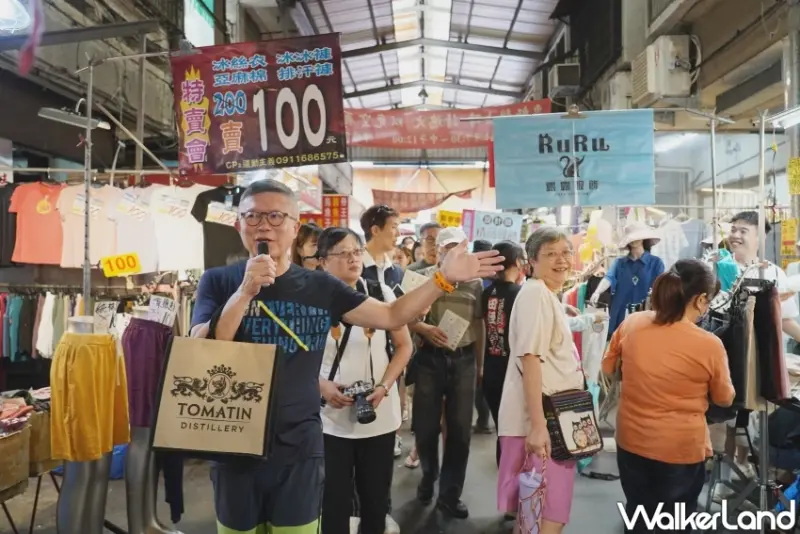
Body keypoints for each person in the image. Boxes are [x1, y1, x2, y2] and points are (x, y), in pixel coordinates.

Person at [190, 179, 503, 534]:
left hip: (299, 447)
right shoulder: (218, 281)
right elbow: (205, 346)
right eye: (253, 216)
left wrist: (443, 279)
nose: (264, 224)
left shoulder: (319, 287)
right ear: (238, 224)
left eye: (276, 216)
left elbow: (390, 316)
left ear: (295, 226)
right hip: (233, 442)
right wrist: (245, 292)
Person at [602, 259, 734, 533]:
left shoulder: (633, 323)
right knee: (674, 521)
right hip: (679, 450)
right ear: (700, 300)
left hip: (631, 441)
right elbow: (724, 398)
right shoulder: (709, 345)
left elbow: (608, 367)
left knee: (638, 512)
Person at [316, 227, 413, 534]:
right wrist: (320, 385)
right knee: (333, 502)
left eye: (356, 251)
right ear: (321, 261)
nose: (352, 259)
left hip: (379, 416)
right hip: (329, 419)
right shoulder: (311, 300)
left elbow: (404, 346)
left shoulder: (380, 294)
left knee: (375, 501)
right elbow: (292, 356)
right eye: (342, 253)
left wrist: (384, 386)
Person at [497, 227, 583, 534]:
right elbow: (530, 359)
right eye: (550, 254)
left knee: (539, 510)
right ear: (530, 261)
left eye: (565, 252)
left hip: (553, 417)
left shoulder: (544, 294)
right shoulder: (535, 295)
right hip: (545, 420)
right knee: (546, 513)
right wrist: (537, 426)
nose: (561, 260)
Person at [710, 210, 800, 500]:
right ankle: (725, 475)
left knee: (755, 418)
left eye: (743, 231)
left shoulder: (773, 273)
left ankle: (750, 474)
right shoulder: (715, 269)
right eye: (733, 229)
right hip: (723, 359)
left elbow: (784, 320)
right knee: (724, 417)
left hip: (761, 363)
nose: (735, 235)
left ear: (760, 236)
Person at [410, 226, 486, 518]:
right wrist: (423, 328)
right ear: (438, 251)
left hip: (464, 359)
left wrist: (479, 365)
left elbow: (478, 324)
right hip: (429, 359)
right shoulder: (422, 278)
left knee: (459, 432)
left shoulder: (475, 283)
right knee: (425, 427)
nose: (454, 252)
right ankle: (429, 475)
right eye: (447, 248)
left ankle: (450, 495)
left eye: (458, 247)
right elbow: (404, 316)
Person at [482, 240, 525, 465]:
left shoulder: (486, 293)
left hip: (491, 371)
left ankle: (504, 483)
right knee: (515, 433)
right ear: (518, 262)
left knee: (502, 431)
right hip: (515, 374)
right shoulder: (522, 294)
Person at [589, 221, 665, 337]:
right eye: (632, 238)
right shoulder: (619, 263)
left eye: (638, 237)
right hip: (620, 311)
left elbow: (661, 285)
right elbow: (609, 278)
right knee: (618, 344)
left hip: (644, 312)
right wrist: (597, 291)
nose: (635, 240)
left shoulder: (655, 263)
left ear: (644, 239)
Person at [471, 240, 494, 434]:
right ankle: (484, 419)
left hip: (478, 333)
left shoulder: (472, 276)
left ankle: (483, 419)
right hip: (490, 335)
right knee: (482, 377)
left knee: (480, 378)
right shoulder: (496, 277)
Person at [360, 204, 404, 289]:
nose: (398, 234)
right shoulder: (354, 268)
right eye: (394, 227)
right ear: (375, 230)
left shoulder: (397, 272)